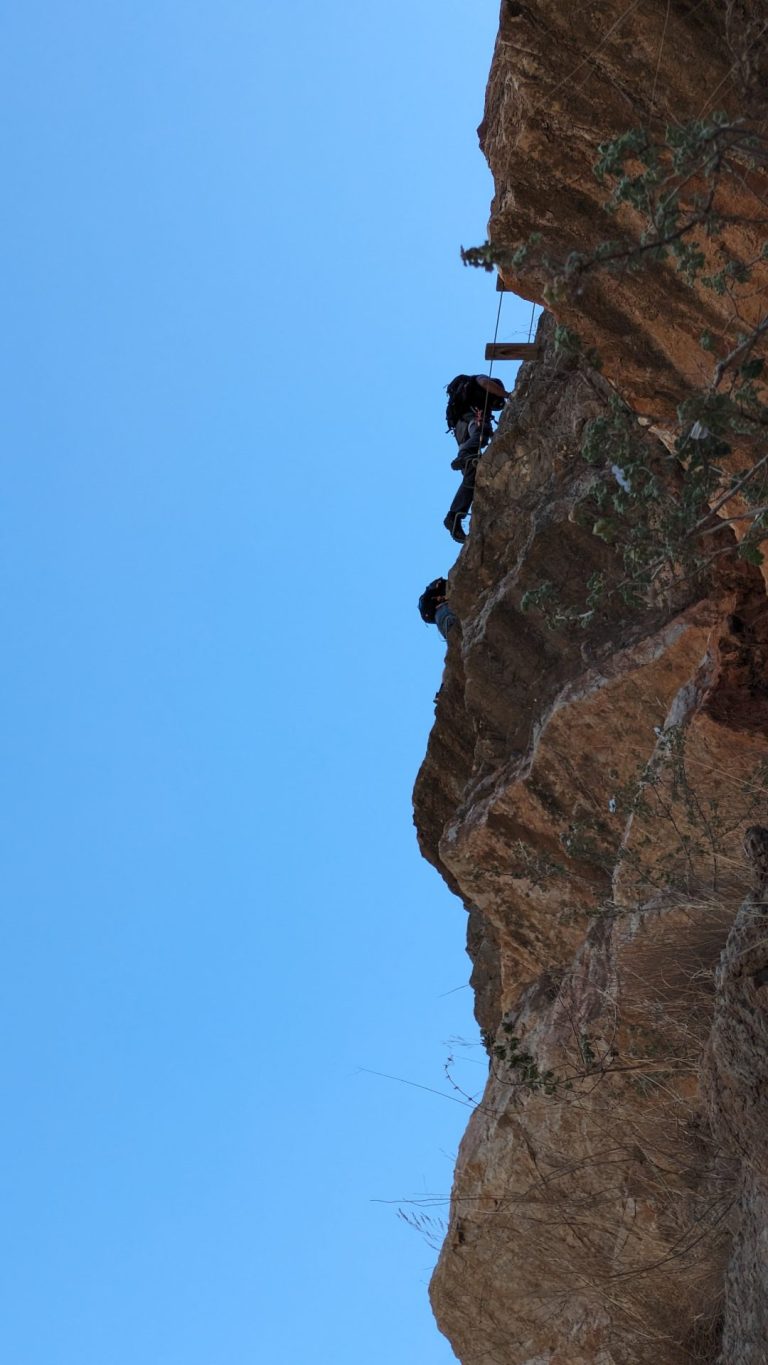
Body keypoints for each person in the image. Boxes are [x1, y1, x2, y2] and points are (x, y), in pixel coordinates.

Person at [443, 375, 507, 543]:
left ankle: (454, 516)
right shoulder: (479, 381)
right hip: (472, 419)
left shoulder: (466, 395)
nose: (492, 407)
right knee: (482, 430)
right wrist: (507, 395)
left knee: (473, 475)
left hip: (461, 431)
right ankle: (464, 456)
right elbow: (485, 383)